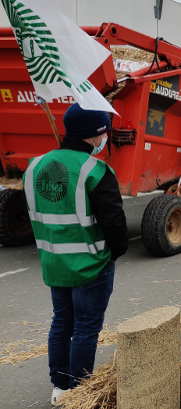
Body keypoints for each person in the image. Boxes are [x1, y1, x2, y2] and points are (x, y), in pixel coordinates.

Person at [23, 103, 128, 404]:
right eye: (104, 131)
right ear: (94, 135)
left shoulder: (35, 166)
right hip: (90, 265)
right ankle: (80, 391)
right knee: (85, 328)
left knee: (61, 323)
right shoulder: (94, 170)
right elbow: (115, 223)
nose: (106, 136)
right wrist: (114, 254)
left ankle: (60, 387)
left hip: (54, 264)